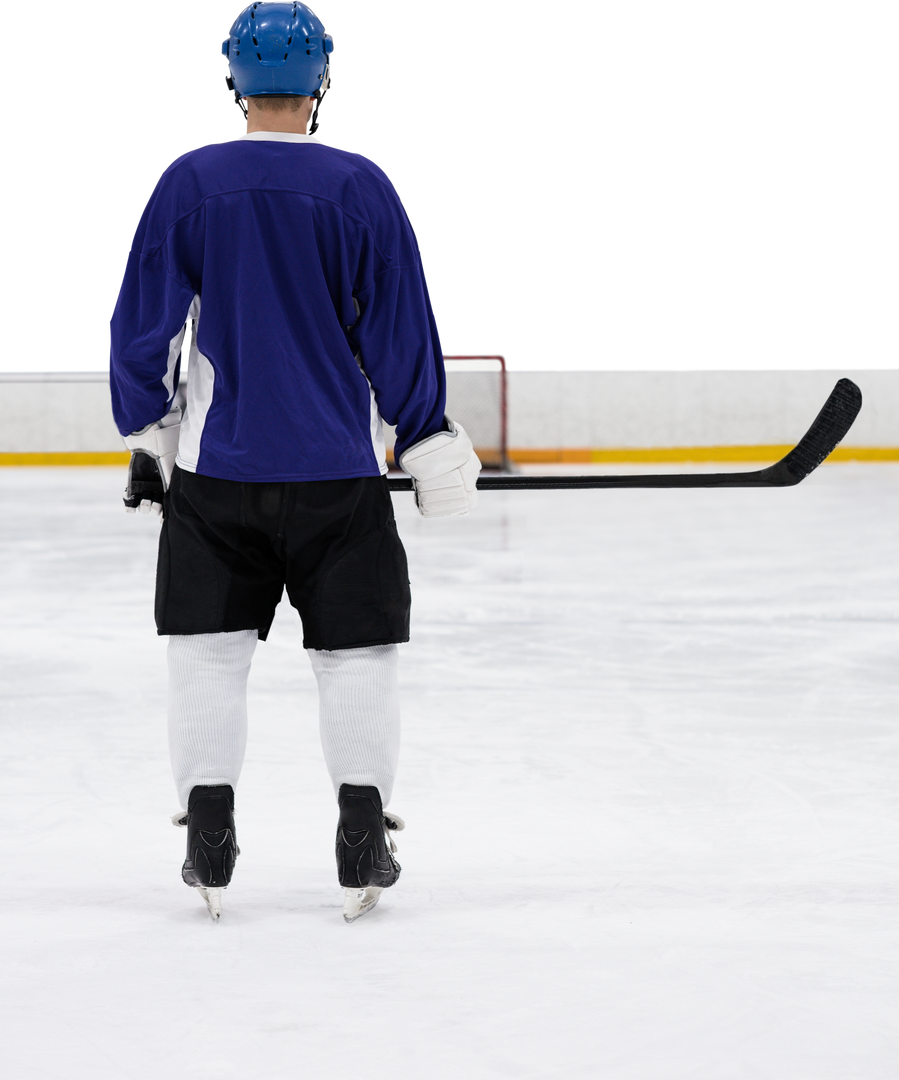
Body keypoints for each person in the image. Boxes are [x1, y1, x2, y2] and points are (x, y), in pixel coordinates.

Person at [106, 0, 481, 923]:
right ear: (322, 81)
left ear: (232, 76)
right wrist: (424, 432)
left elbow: (141, 326)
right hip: (335, 478)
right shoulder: (362, 186)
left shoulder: (187, 182)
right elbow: (398, 326)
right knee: (357, 657)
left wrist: (150, 436)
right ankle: (362, 822)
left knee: (205, 653)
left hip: (215, 477)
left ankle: (207, 823)